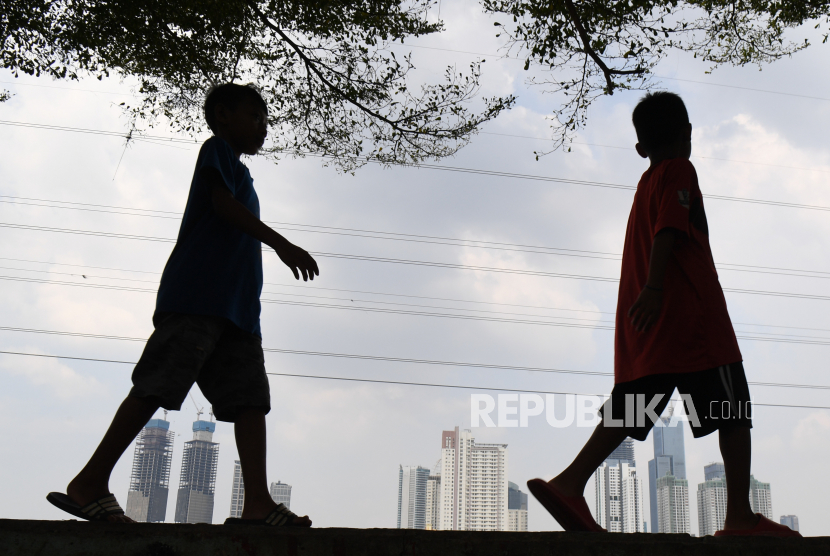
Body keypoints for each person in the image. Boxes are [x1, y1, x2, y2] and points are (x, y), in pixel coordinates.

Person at [526, 91, 799, 537]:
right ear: (687, 135)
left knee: (633, 407)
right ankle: (738, 517)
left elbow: (658, 231)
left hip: (650, 326)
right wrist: (655, 288)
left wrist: (650, 295)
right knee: (732, 413)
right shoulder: (680, 169)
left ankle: (570, 483)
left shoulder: (643, 184)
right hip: (693, 321)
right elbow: (671, 227)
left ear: (640, 149)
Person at [47, 83, 318, 527]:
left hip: (238, 314)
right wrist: (282, 244)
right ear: (224, 116)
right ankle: (89, 483)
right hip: (199, 298)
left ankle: (257, 504)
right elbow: (222, 206)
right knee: (159, 382)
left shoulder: (244, 174)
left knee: (251, 400)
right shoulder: (217, 152)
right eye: (255, 116)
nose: (262, 126)